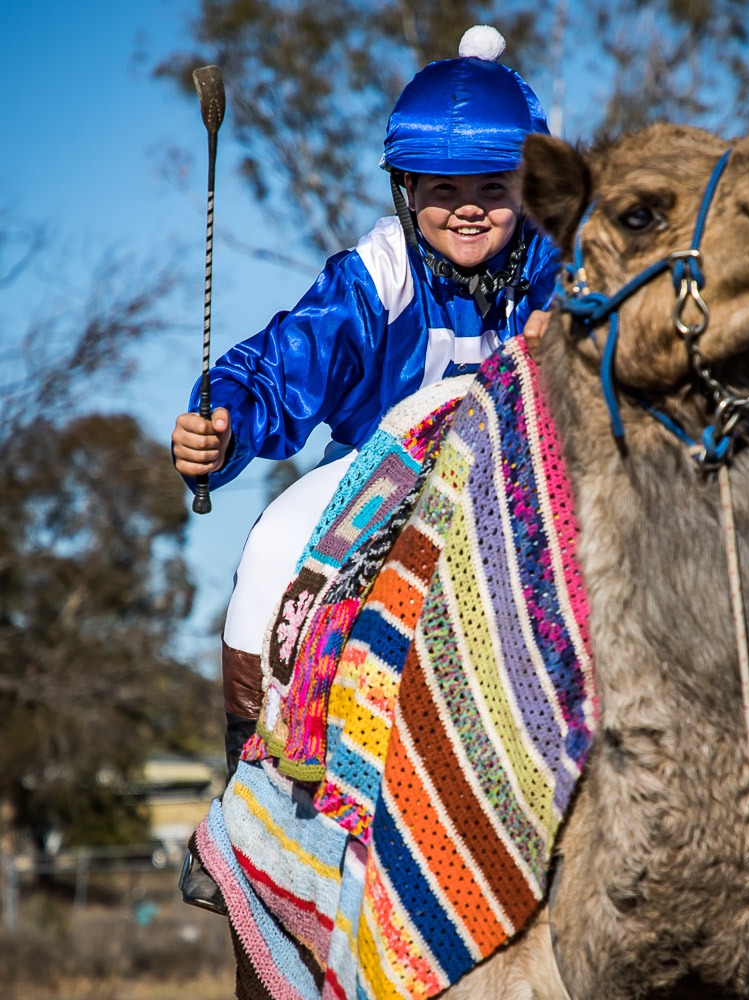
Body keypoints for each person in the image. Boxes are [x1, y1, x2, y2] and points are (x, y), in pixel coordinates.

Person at [171, 25, 561, 798]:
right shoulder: (374, 274)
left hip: (531, 487)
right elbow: (283, 365)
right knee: (276, 544)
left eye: (494, 187)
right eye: (443, 190)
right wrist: (224, 425)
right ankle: (252, 803)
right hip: (386, 472)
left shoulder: (570, 269)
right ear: (405, 191)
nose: (470, 210)